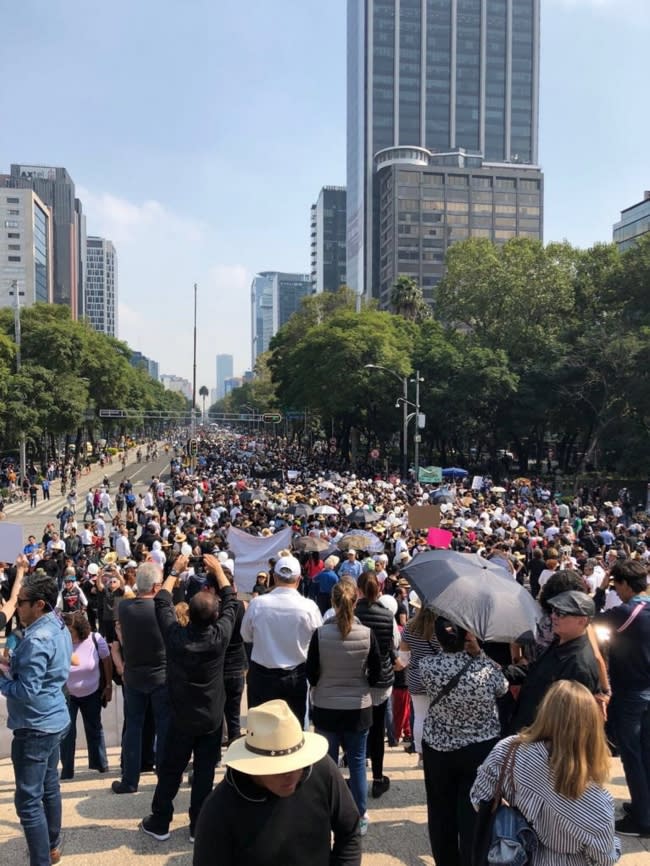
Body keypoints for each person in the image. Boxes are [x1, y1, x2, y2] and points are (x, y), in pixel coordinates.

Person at [140, 554, 238, 842]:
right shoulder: (220, 636)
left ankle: (160, 821)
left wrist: (174, 571)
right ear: (214, 616)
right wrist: (219, 571)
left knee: (171, 770)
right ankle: (199, 825)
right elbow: (231, 601)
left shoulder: (175, 636)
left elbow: (161, 602)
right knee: (204, 773)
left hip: (180, 715)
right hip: (209, 717)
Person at [193, 699, 361, 866]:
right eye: (279, 768)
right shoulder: (218, 809)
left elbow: (350, 831)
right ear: (254, 765)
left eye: (296, 764)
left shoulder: (323, 769)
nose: (290, 775)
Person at [471, 680, 621, 866]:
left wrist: (513, 819)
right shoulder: (596, 800)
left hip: (514, 857)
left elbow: (479, 797)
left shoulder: (509, 750)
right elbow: (605, 858)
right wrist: (615, 844)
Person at [420, 616, 509, 866]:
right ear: (466, 637)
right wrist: (479, 653)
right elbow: (502, 687)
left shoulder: (427, 666)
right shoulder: (486, 670)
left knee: (440, 811)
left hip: (439, 746)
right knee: (474, 811)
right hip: (479, 747)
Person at [0, 569, 72, 866]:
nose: (16, 607)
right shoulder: (58, 624)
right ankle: (52, 846)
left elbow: (25, 690)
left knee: (28, 802)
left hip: (35, 726)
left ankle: (41, 859)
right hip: (54, 718)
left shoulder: (37, 638)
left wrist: (2, 678)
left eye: (21, 602)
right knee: (49, 785)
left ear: (39, 604)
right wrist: (11, 661)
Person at [307, 578, 381, 835]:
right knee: (358, 763)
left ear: (333, 602)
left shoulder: (320, 634)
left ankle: (328, 811)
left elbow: (312, 673)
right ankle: (359, 814)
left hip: (327, 705)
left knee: (327, 765)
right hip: (358, 706)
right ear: (356, 601)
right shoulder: (367, 634)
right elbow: (377, 674)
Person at [594, 558, 650, 836]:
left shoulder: (624, 612)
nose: (616, 588)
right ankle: (644, 807)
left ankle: (643, 818)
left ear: (625, 584)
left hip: (630, 692)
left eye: (616, 584)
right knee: (647, 752)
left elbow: (590, 616)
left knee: (632, 755)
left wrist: (600, 590)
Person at [241, 554, 322, 723]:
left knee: (261, 729)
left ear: (275, 577)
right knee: (293, 732)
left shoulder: (258, 604)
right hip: (295, 676)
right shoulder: (309, 607)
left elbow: (246, 635)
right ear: (299, 579)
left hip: (262, 676)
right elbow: (317, 641)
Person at [506, 589, 601, 732]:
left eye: (561, 614)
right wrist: (498, 671)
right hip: (526, 727)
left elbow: (569, 722)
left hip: (541, 739)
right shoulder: (560, 642)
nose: (553, 617)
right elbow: (536, 670)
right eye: (554, 611)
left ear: (582, 620)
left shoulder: (580, 666)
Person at [112, 562, 169, 794]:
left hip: (134, 675)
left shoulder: (124, 608)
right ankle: (165, 775)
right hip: (161, 676)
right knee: (164, 728)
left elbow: (127, 594)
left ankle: (129, 779)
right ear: (157, 585)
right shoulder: (163, 609)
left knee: (133, 728)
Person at [354, 571, 396, 799]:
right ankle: (378, 778)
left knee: (358, 729)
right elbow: (388, 647)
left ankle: (358, 773)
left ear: (359, 590)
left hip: (358, 676)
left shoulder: (352, 613)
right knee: (377, 729)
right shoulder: (387, 615)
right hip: (380, 677)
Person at [59, 611, 112, 779]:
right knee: (67, 732)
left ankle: (100, 764)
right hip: (67, 695)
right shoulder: (61, 643)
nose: (68, 634)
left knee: (95, 727)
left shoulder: (95, 639)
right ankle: (67, 770)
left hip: (92, 692)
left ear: (80, 629)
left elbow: (106, 661)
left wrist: (109, 685)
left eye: (71, 631)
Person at [399, 602, 440, 762]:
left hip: (416, 676)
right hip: (439, 676)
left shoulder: (410, 627)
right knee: (438, 716)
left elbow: (403, 656)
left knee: (420, 716)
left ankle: (421, 753)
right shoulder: (442, 627)